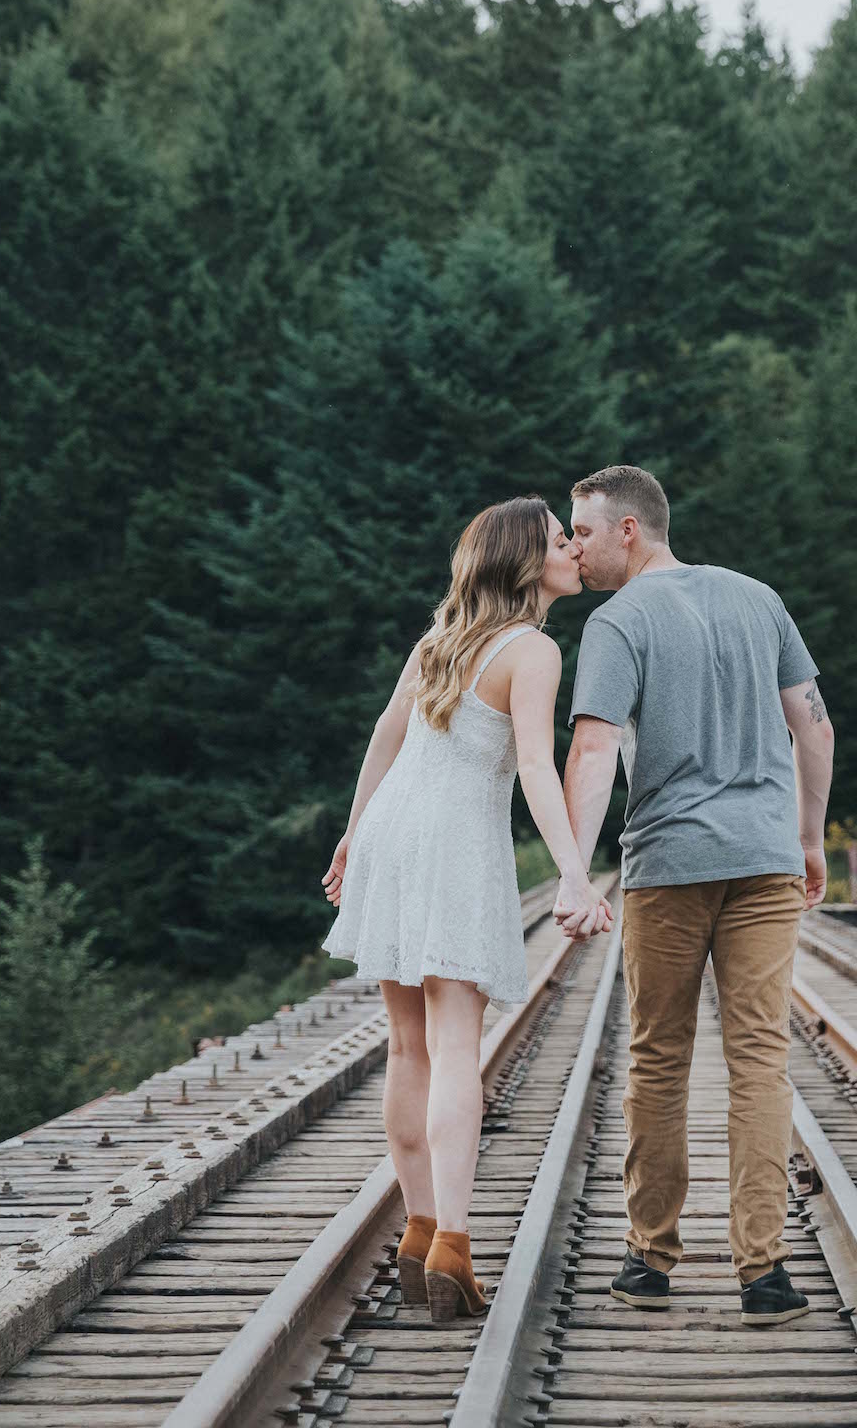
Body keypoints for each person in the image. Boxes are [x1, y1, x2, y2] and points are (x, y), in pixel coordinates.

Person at [319, 496, 612, 1325]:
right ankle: (453, 1243)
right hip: (451, 844)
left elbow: (385, 733)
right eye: (561, 541)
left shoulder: (441, 637)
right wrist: (574, 874)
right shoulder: (533, 649)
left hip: (390, 833)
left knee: (407, 1045)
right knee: (455, 1048)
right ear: (529, 561)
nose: (573, 553)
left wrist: (352, 834)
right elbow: (532, 764)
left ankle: (416, 1234)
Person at [555, 464, 834, 1326]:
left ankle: (649, 1259)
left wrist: (573, 867)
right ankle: (764, 1273)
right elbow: (814, 724)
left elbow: (595, 748)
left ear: (629, 529)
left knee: (659, 1057)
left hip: (671, 865)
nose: (575, 549)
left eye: (585, 533)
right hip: (763, 860)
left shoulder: (616, 621)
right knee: (761, 1061)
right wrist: (811, 837)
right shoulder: (759, 598)